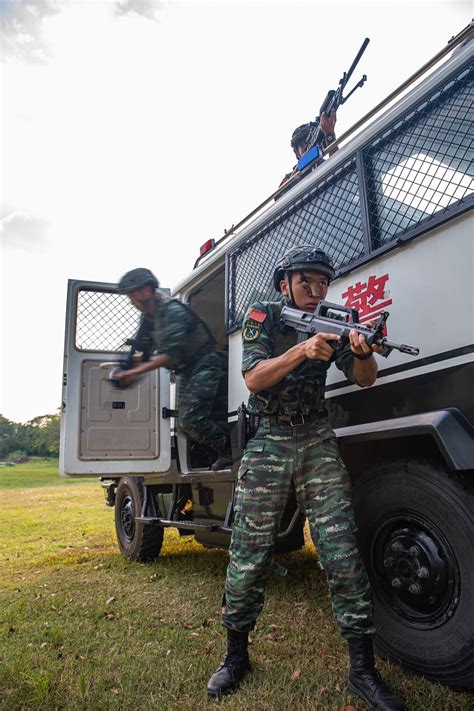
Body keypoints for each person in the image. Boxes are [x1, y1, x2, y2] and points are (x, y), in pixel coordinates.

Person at [206, 246, 406, 710]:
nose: (317, 292)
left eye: (323, 283)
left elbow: (366, 379)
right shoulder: (263, 314)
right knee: (249, 553)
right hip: (270, 440)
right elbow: (254, 378)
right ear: (285, 284)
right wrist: (301, 349)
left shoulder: (337, 319)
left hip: (316, 439)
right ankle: (235, 656)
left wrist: (360, 353)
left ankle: (363, 670)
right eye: (306, 282)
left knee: (341, 552)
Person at [114, 268, 232, 471]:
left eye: (132, 293)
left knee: (192, 420)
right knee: (185, 425)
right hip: (188, 370)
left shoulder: (173, 311)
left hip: (205, 363)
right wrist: (128, 366)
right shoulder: (150, 318)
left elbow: (170, 355)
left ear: (147, 291)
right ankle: (226, 451)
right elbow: (144, 349)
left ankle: (230, 450)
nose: (131, 300)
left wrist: (132, 372)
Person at [279, 108, 338, 188]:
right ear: (297, 154)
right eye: (303, 145)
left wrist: (329, 136)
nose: (308, 146)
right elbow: (280, 196)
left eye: (312, 141)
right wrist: (300, 171)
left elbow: (340, 168)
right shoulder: (290, 178)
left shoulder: (326, 165)